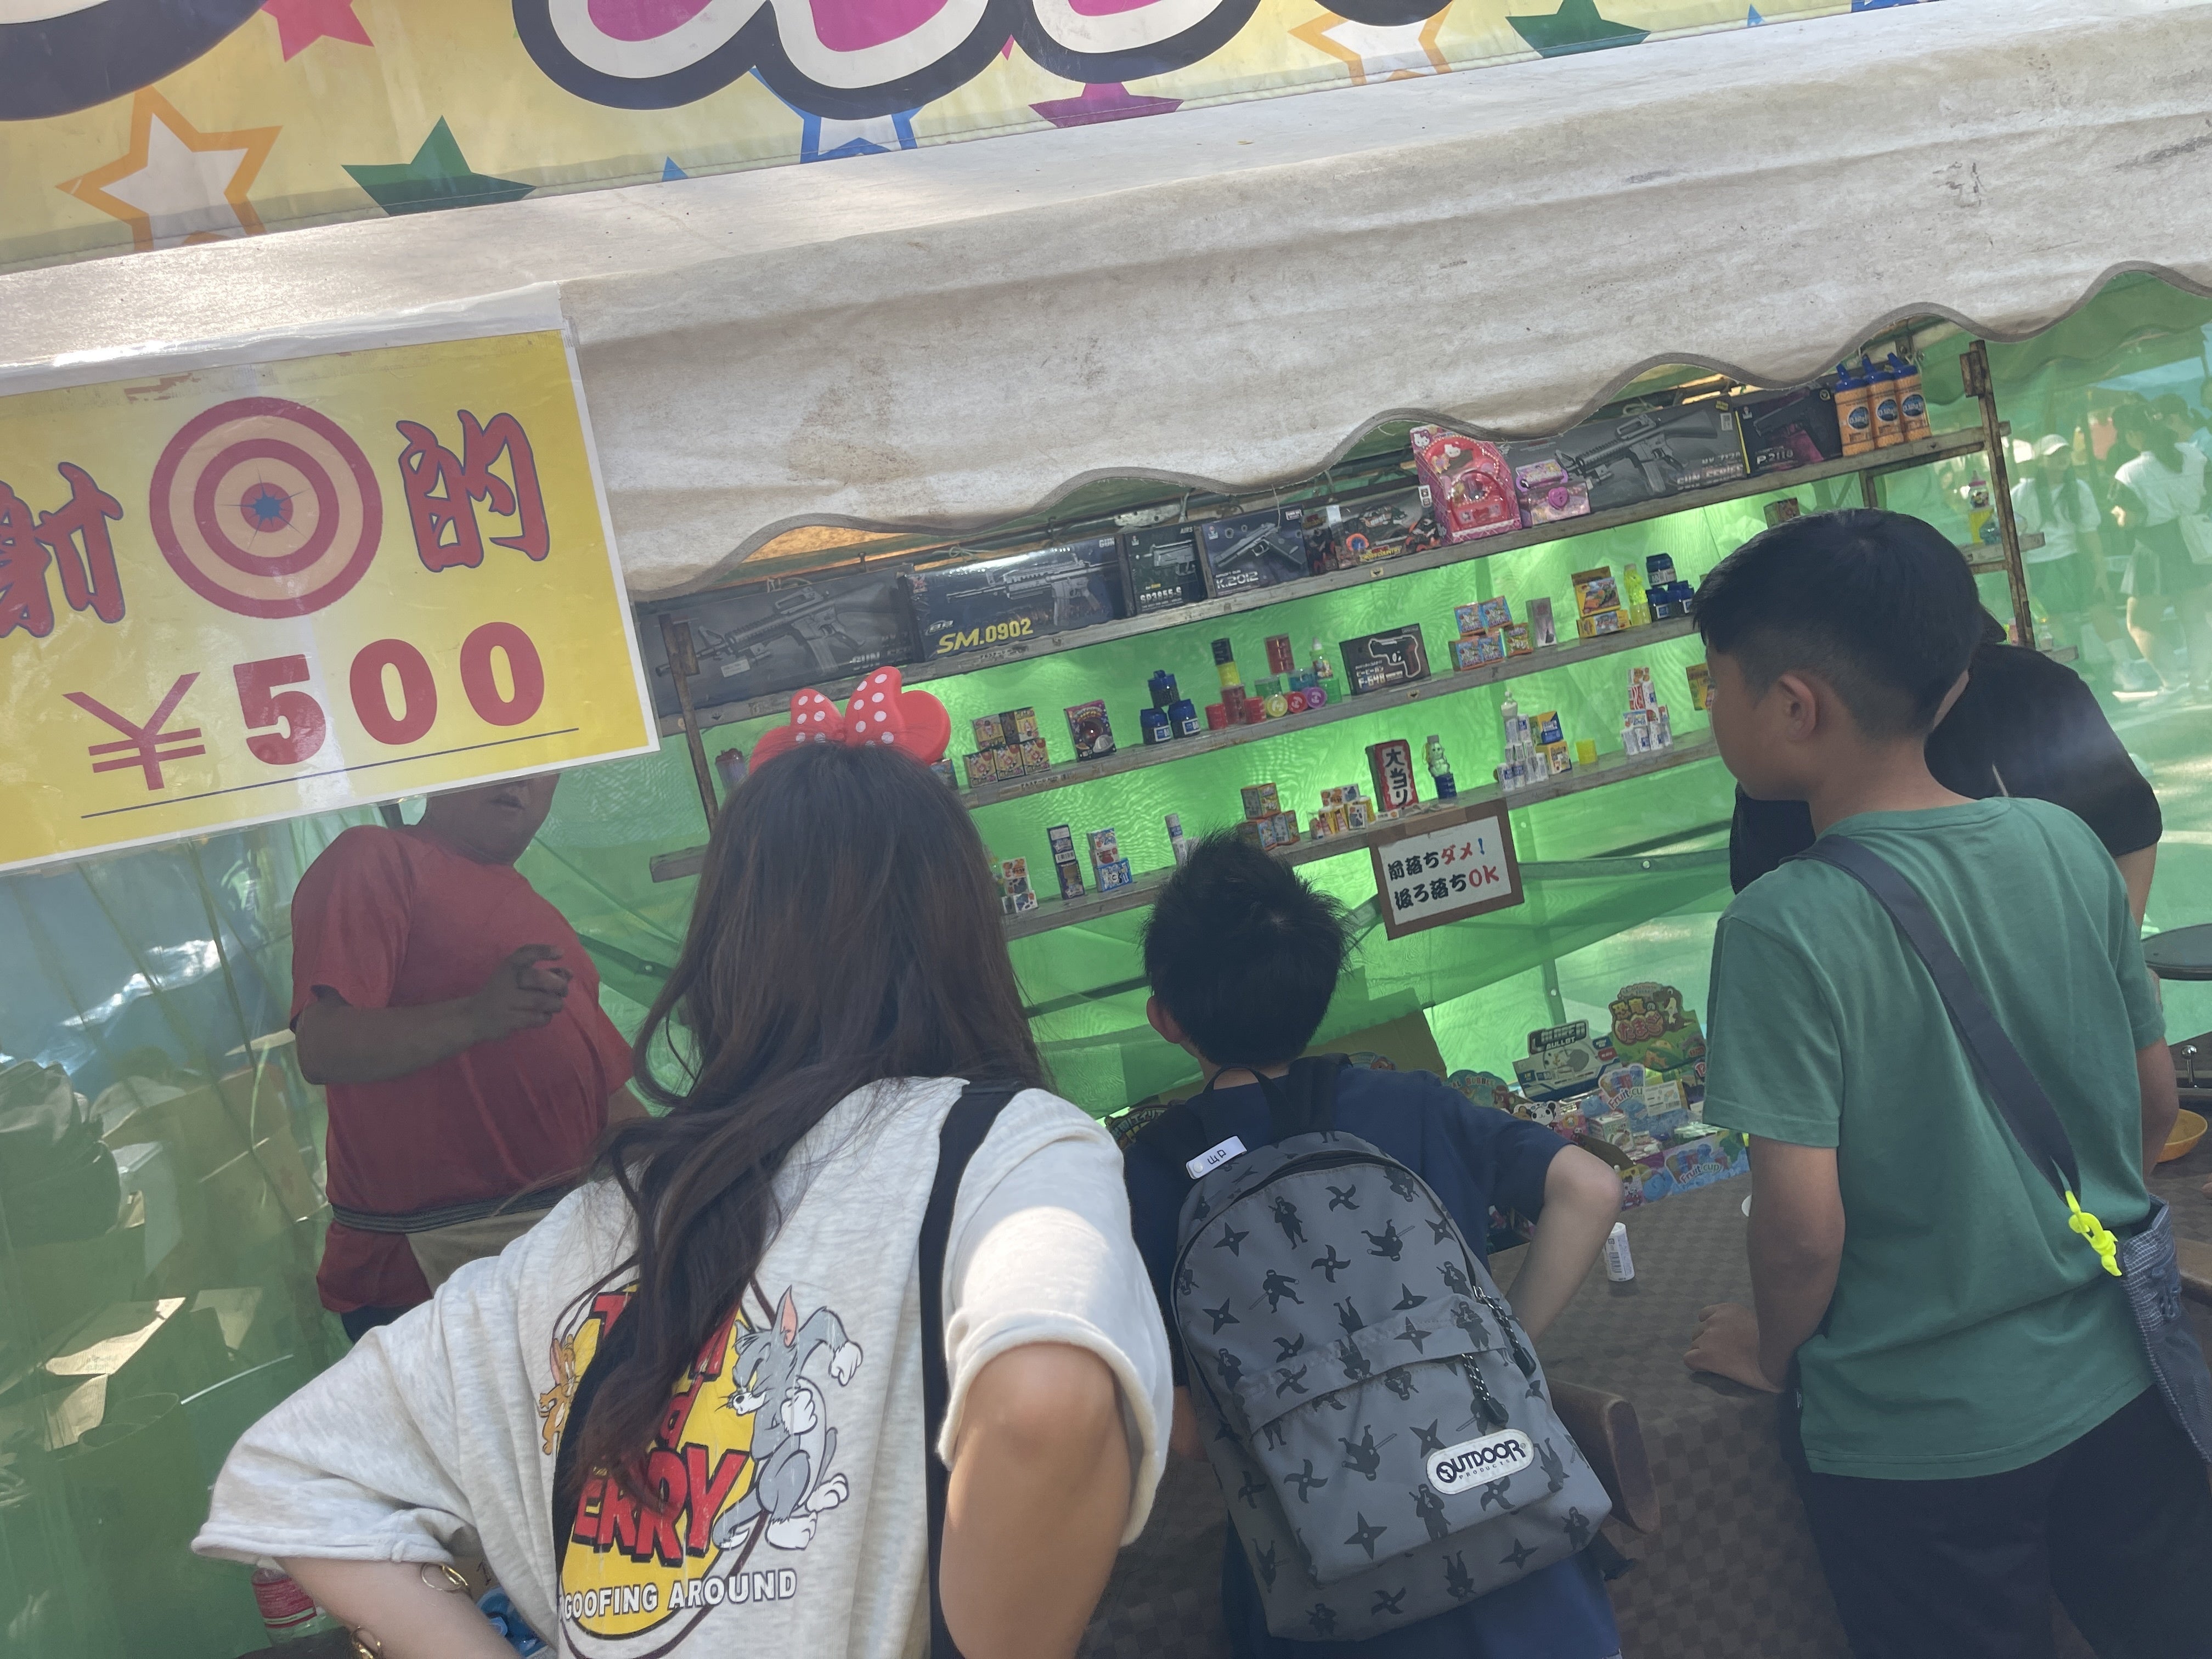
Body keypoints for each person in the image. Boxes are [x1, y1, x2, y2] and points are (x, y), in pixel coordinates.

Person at [197, 718, 1172, 1659]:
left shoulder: (606, 1213)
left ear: (724, 953)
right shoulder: (1008, 1146)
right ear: (963, 928)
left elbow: (292, 1476)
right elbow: (1043, 1405)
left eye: (541, 762)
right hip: (435, 1233)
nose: (522, 781)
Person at [1680, 509, 2211, 1658]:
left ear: (1794, 705)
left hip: (1918, 1441)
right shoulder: (2064, 845)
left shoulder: (1779, 926)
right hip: (2121, 1376)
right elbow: (2154, 1104)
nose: (1707, 708)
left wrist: (1769, 1352)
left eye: (1713, 683)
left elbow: (1801, 1234)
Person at [1121, 833, 1626, 1659]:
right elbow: (1590, 1188)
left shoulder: (1152, 1174)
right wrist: (1502, 1345)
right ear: (1320, 988)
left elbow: (1182, 1432)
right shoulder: (1408, 1103)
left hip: (1329, 1576)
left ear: (1166, 1019)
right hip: (1516, 1535)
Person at [289, 774, 643, 1339]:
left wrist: (683, 1166)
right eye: (499, 755)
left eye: (540, 764)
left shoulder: (539, 912)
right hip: (423, 1270)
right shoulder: (375, 857)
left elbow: (607, 1095)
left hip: (562, 1250)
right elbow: (322, 1046)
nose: (520, 779)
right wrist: (476, 1016)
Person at [1729, 610, 2162, 921]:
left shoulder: (2034, 690)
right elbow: (1772, 906)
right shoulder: (1787, 764)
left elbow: (2129, 829)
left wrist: (2114, 961)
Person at [2010, 433, 2149, 685]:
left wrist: (2100, 569)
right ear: (2040, 460)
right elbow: (2014, 538)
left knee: (2099, 609)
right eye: (2054, 455)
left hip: (2075, 559)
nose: (2062, 458)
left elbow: (2089, 532)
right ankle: (2073, 671)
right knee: (2054, 619)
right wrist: (2024, 576)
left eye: (2065, 453)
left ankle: (2124, 666)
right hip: (2041, 564)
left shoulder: (2079, 488)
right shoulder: (2021, 493)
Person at [2109, 402, 2212, 696]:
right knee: (2194, 618)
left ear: (2132, 435)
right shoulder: (2194, 455)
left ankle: (2172, 684)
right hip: (2194, 541)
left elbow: (2131, 519)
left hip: (2155, 547)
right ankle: (2201, 682)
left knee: (2140, 623)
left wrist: (2119, 516)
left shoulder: (2129, 472)